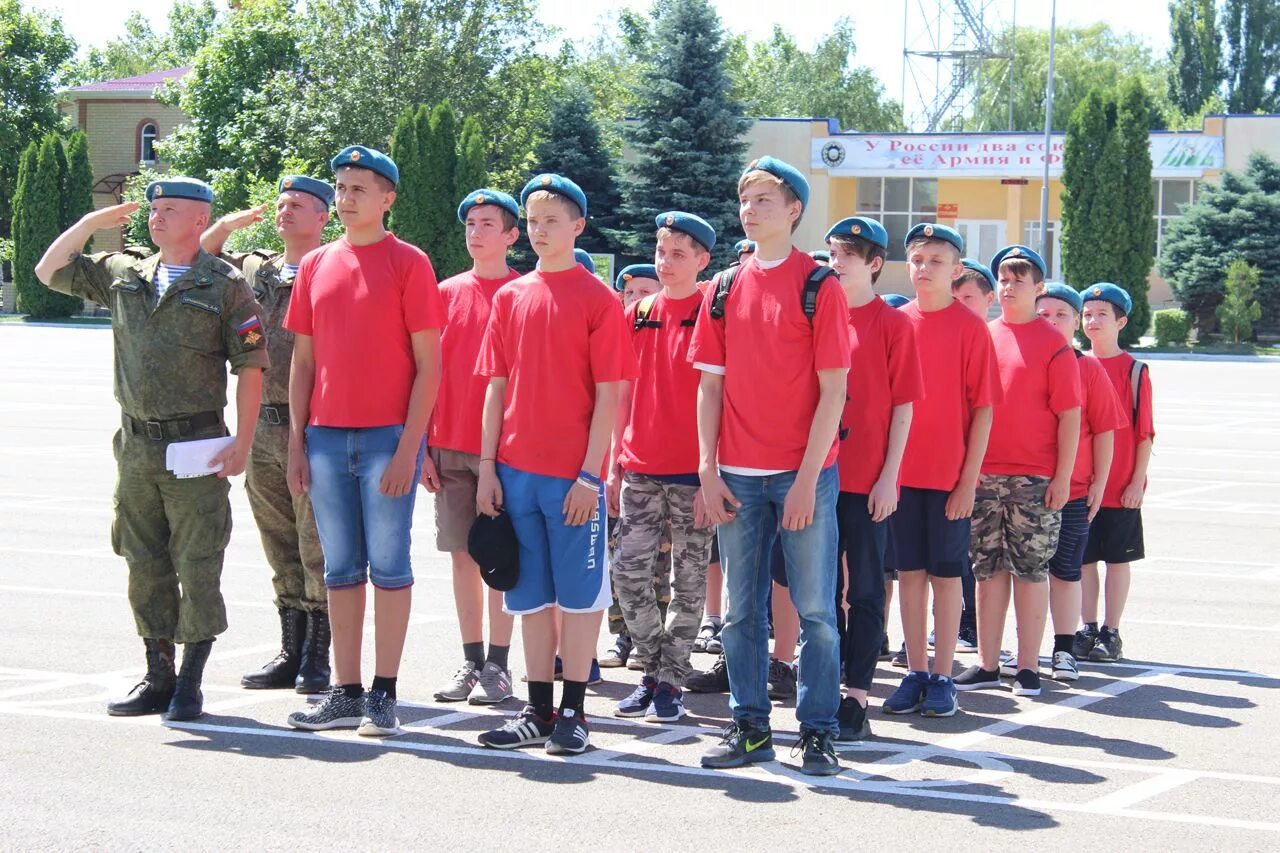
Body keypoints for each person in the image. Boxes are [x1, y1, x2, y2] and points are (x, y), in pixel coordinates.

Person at [34, 178, 268, 721]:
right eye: (155, 209)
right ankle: (157, 673)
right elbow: (48, 271)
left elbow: (252, 368)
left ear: (198, 218)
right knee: (144, 561)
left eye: (170, 210)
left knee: (198, 561)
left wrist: (243, 442)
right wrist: (92, 225)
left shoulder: (225, 284)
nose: (156, 217)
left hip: (197, 443)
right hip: (137, 445)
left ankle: (191, 680)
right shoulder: (124, 272)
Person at [689, 156, 849, 776]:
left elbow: (833, 391)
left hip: (802, 473)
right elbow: (709, 387)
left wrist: (808, 478)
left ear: (794, 211)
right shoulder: (725, 287)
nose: (750, 209)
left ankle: (817, 731)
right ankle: (749, 726)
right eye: (745, 199)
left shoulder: (819, 285)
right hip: (736, 473)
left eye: (764, 199)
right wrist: (707, 468)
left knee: (814, 611)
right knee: (739, 611)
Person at [284, 145, 444, 736]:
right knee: (340, 570)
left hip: (386, 440)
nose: (346, 199)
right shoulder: (316, 265)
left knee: (390, 566)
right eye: (341, 189)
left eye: (359, 189)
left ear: (387, 199)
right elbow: (302, 363)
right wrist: (296, 443)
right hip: (325, 440)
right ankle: (345, 692)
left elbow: (430, 365)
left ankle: (384, 693)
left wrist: (410, 447)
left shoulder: (409, 263)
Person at [474, 174, 635, 755]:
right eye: (533, 220)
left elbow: (609, 395)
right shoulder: (511, 297)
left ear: (577, 227)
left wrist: (592, 475)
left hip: (574, 482)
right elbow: (496, 387)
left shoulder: (597, 299)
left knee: (580, 599)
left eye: (551, 220)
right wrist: (488, 468)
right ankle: (537, 711)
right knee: (531, 599)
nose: (540, 231)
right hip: (515, 474)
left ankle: (574, 713)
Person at [200, 175, 334, 694]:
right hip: (262, 427)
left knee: (315, 544)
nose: (284, 211)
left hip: (314, 426)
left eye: (297, 204)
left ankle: (319, 658)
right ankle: (290, 649)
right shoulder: (257, 267)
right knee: (278, 542)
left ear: (323, 216)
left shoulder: (332, 266)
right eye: (280, 204)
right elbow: (205, 256)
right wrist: (227, 225)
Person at [883, 223, 998, 719]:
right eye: (916, 259)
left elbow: (985, 409)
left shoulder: (970, 327)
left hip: (949, 477)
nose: (924, 268)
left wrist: (968, 480)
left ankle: (944, 674)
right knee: (909, 573)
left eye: (935, 260)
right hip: (900, 477)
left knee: (947, 577)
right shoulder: (896, 322)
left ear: (956, 271)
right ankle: (915, 671)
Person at [955, 246, 1080, 698]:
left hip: (1034, 478)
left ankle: (1028, 665)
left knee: (1030, 571)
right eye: (1003, 280)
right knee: (986, 570)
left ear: (1038, 288)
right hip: (984, 475)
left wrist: (1063, 476)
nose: (1008, 288)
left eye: (1018, 281)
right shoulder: (985, 334)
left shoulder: (1053, 345)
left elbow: (1070, 417)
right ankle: (989, 663)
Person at [609, 211, 718, 723]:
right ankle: (652, 667)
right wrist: (614, 463)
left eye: (679, 254)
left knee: (688, 581)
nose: (667, 262)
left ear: (702, 260)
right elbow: (623, 391)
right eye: (661, 252)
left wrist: (711, 471)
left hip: (694, 473)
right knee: (629, 577)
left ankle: (671, 680)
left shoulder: (715, 311)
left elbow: (724, 394)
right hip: (641, 467)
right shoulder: (640, 312)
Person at [824, 216, 922, 739]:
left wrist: (890, 477)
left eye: (848, 255)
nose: (836, 262)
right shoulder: (819, 313)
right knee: (819, 591)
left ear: (875, 264)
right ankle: (826, 681)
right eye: (834, 252)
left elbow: (904, 407)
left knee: (863, 589)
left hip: (867, 480)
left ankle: (857, 694)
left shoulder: (893, 323)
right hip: (819, 475)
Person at [423, 188, 522, 705]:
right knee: (461, 556)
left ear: (511, 235)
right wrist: (421, 444)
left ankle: (500, 667)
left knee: (500, 559)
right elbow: (425, 372)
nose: (476, 232)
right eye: (470, 224)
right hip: (449, 445)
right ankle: (470, 658)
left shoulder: (524, 292)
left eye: (488, 224)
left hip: (507, 453)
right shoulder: (444, 293)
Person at [1035, 283, 1125, 681]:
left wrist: (1099, 484)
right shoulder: (1021, 361)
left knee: (1066, 570)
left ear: (1075, 321)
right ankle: (1022, 653)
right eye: (1044, 314)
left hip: (1072, 492)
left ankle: (1064, 649)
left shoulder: (1087, 368)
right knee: (1022, 574)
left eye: (1061, 315)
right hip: (1020, 489)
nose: (1052, 322)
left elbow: (1105, 431)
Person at [1075, 283, 1154, 664]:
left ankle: (1111, 630)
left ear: (1121, 321)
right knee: (1083, 559)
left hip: (1120, 485)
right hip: (1081, 483)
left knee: (1117, 560)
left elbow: (1145, 433)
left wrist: (1137, 481)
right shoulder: (1074, 363)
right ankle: (1086, 627)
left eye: (1102, 314)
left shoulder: (1135, 371)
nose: (1092, 321)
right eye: (1087, 314)